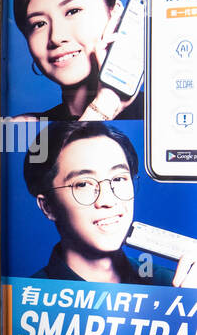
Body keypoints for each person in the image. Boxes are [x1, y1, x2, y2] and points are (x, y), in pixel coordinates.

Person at [24, 120, 197, 285]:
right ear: (48, 207)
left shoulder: (171, 282)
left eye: (119, 179)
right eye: (83, 184)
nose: (108, 200)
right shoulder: (25, 299)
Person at [13, 0, 143, 122]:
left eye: (73, 11)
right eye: (39, 24)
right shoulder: (26, 127)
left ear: (114, 13)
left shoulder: (159, 112)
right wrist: (103, 106)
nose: (56, 37)